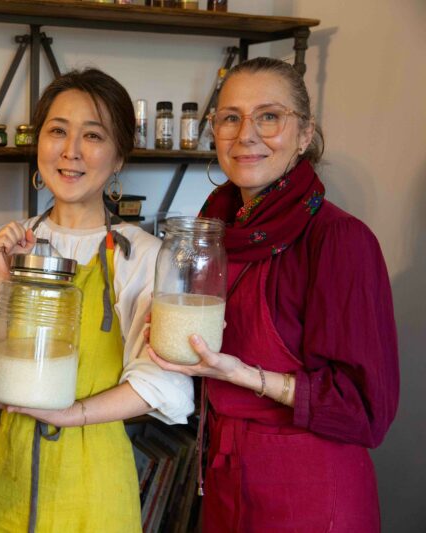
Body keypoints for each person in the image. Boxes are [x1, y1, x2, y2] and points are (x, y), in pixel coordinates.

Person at [147, 57, 399, 532]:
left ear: (305, 134)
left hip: (308, 492)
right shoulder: (215, 233)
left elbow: (365, 410)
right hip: (226, 481)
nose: (246, 135)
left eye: (268, 116)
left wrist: (243, 376)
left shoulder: (339, 240)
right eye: (230, 117)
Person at [0, 68, 195, 533]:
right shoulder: (9, 242)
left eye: (93, 135)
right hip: (0, 474)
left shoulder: (145, 256)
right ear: (38, 142)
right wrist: (2, 279)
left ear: (119, 156)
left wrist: (69, 414)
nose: (71, 151)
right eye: (58, 131)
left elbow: (166, 384)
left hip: (90, 483)